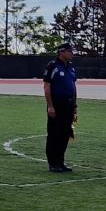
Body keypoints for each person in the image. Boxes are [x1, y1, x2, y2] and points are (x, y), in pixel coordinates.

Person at [43, 43, 77, 173]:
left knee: (65, 134)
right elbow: (47, 87)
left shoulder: (71, 68)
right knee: (54, 134)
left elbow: (73, 87)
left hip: (68, 105)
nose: (71, 53)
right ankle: (53, 163)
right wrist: (50, 106)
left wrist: (75, 106)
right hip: (57, 104)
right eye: (69, 51)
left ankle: (60, 161)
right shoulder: (53, 65)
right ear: (61, 52)